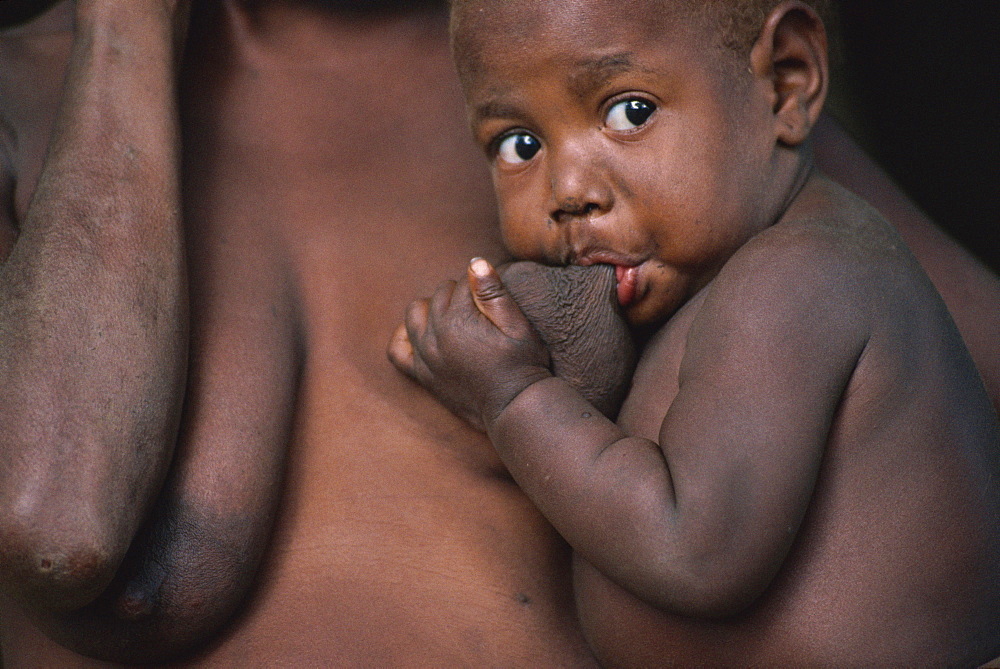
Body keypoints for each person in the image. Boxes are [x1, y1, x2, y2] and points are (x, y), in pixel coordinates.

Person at [0, 0, 997, 666]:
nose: (566, 184)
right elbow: (54, 523)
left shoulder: (609, 50)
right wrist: (123, 30)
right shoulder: (30, 104)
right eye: (515, 148)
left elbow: (945, 376)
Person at [389, 0, 1000, 665]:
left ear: (787, 82)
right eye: (520, 145)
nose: (567, 188)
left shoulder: (799, 277)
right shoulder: (707, 277)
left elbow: (695, 548)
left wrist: (512, 396)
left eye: (630, 112)